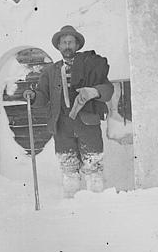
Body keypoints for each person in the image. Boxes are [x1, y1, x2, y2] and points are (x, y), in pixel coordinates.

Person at [23, 25, 114, 198]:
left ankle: (97, 208)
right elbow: (43, 96)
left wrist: (94, 91)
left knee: (93, 169)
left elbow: (108, 90)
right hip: (62, 127)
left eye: (70, 42)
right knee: (69, 171)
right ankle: (71, 206)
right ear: (58, 46)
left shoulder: (91, 67)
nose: (67, 46)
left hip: (88, 126)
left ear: (77, 45)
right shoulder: (50, 72)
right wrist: (33, 96)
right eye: (63, 42)